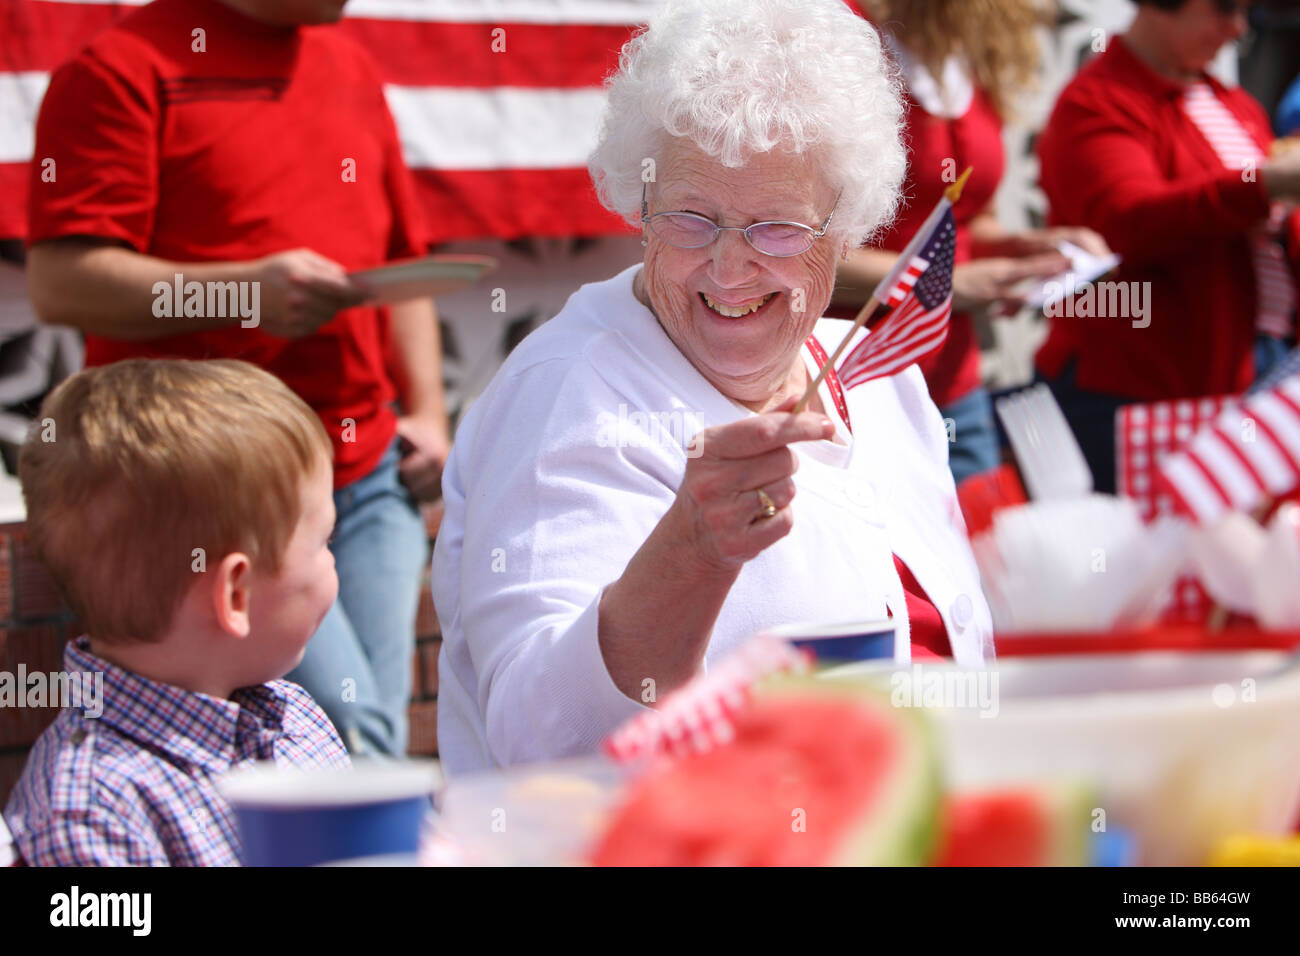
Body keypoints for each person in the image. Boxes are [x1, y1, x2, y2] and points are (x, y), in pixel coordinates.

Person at [432, 0, 993, 774]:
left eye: (778, 229)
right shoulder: (567, 393)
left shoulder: (876, 370)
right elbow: (541, 743)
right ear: (640, 205)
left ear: (846, 227)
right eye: (690, 219)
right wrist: (691, 552)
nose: (730, 269)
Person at [24, 0, 451, 755]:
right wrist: (240, 292)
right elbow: (63, 285)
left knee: (369, 727)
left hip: (364, 466)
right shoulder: (121, 70)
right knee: (349, 734)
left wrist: (426, 411)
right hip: (217, 488)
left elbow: (399, 264)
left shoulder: (347, 62)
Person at [4, 359, 350, 866]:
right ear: (235, 595)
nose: (333, 560)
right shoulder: (88, 816)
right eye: (324, 541)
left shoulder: (292, 717)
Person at [835, 0, 1112, 487]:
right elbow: (795, 246)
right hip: (852, 384)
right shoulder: (844, 34)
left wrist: (1030, 249)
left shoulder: (973, 54)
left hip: (955, 385)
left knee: (978, 552)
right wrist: (944, 284)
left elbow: (967, 220)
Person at [1036, 0, 1300, 492]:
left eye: (1246, 11)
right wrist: (1262, 186)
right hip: (1142, 382)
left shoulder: (1229, 101)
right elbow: (1128, 222)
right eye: (1223, 9)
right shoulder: (1097, 100)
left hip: (1243, 367)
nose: (1238, 27)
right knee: (1147, 553)